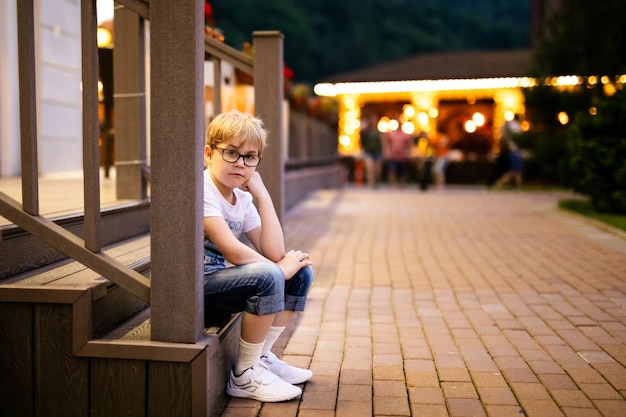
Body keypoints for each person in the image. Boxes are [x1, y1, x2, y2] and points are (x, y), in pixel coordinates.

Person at [202, 110, 314, 402]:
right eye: (231, 153)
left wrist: (262, 195)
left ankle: (260, 357)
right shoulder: (203, 189)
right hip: (195, 289)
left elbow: (275, 251)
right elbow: (232, 250)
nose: (240, 163)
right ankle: (244, 375)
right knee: (272, 273)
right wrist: (278, 269)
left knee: (300, 270)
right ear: (209, 154)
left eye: (250, 157)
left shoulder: (242, 197)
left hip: (221, 282)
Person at [383, 118, 413, 187]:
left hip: (402, 156)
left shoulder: (405, 134)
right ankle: (392, 185)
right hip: (393, 155)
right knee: (392, 170)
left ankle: (402, 186)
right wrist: (387, 151)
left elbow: (409, 143)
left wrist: (409, 152)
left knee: (403, 172)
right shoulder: (391, 133)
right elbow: (386, 142)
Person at [359, 113, 383, 188]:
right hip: (368, 151)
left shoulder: (379, 132)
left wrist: (385, 151)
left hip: (378, 152)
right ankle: (371, 184)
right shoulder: (366, 131)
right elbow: (361, 140)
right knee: (370, 168)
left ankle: (376, 182)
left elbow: (383, 142)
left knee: (377, 169)